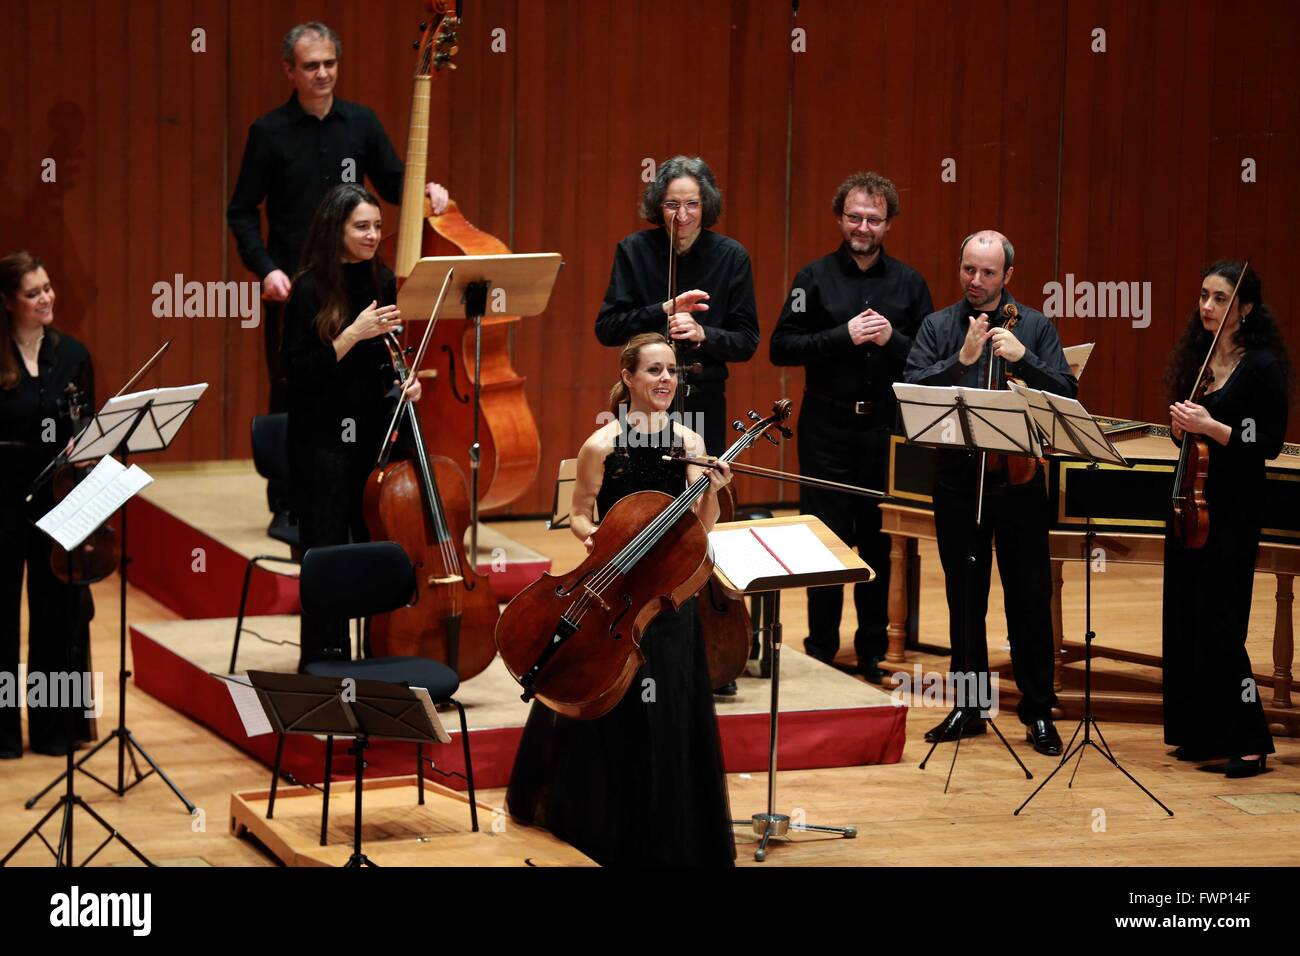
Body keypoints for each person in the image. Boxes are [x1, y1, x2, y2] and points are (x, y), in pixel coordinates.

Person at [506, 332, 736, 866]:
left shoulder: (691, 445)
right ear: (628, 378)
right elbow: (581, 511)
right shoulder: (601, 445)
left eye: (672, 371)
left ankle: (668, 825)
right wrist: (594, 538)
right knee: (612, 699)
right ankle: (600, 816)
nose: (665, 380)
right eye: (654, 371)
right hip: (612, 591)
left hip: (667, 596)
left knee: (667, 706)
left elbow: (703, 528)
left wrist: (715, 490)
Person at [227, 21, 448, 520]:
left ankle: (360, 489)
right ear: (290, 71)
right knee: (295, 385)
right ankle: (290, 502)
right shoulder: (269, 133)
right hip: (298, 286)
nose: (323, 73)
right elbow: (241, 210)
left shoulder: (360, 123)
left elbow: (395, 183)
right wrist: (265, 270)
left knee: (365, 376)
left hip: (354, 281)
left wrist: (425, 189)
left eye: (329, 63)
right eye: (311, 66)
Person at [903, 230, 1075, 756]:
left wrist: (1023, 358)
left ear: (1008, 278)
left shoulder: (1037, 327)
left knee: (1028, 598)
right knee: (964, 597)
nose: (975, 282)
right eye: (968, 270)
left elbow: (1066, 394)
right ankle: (970, 706)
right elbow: (911, 391)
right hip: (958, 482)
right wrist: (962, 358)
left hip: (1019, 484)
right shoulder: (938, 326)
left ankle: (1038, 711)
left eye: (988, 273)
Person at [770, 171, 933, 683]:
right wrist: (843, 335)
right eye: (855, 216)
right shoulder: (812, 278)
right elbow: (781, 346)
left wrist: (892, 341)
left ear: (888, 225)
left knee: (877, 543)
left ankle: (871, 652)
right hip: (827, 428)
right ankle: (820, 648)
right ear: (840, 217)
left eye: (874, 219)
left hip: (884, 430)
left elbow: (930, 363)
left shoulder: (910, 284)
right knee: (824, 541)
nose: (864, 226)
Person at [281, 184, 421, 669]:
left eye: (378, 226)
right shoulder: (308, 289)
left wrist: (405, 383)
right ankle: (323, 661)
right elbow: (297, 376)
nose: (373, 235)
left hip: (371, 439)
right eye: (362, 226)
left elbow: (386, 360)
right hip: (320, 442)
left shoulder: (381, 278)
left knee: (371, 545)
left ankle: (372, 659)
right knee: (327, 551)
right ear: (335, 229)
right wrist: (352, 334)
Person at [1163, 260, 1291, 778]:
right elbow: (1191, 434)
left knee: (1219, 624)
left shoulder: (1261, 365)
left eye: (1219, 299)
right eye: (1203, 297)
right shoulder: (1200, 358)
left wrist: (1211, 427)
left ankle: (1250, 741)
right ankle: (1201, 732)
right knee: (1186, 619)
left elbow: (1269, 443)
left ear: (1245, 308)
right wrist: (1182, 431)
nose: (1207, 307)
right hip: (1191, 506)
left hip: (1233, 511)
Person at [595, 156, 759, 458]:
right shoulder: (633, 251)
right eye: (672, 205)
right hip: (642, 401)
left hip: (702, 398)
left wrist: (702, 334)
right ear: (658, 205)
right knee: (640, 494)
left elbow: (747, 342)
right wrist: (662, 310)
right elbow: (607, 329)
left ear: (705, 205)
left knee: (698, 492)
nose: (681, 215)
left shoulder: (732, 257)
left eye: (692, 204)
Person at [0, 251, 94, 757]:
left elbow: (89, 433)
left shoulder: (73, 355)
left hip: (58, 504)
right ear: (8, 302)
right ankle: (1, 733)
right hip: (3, 504)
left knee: (59, 615)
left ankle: (56, 729)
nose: (46, 297)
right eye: (33, 292)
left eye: (48, 287)